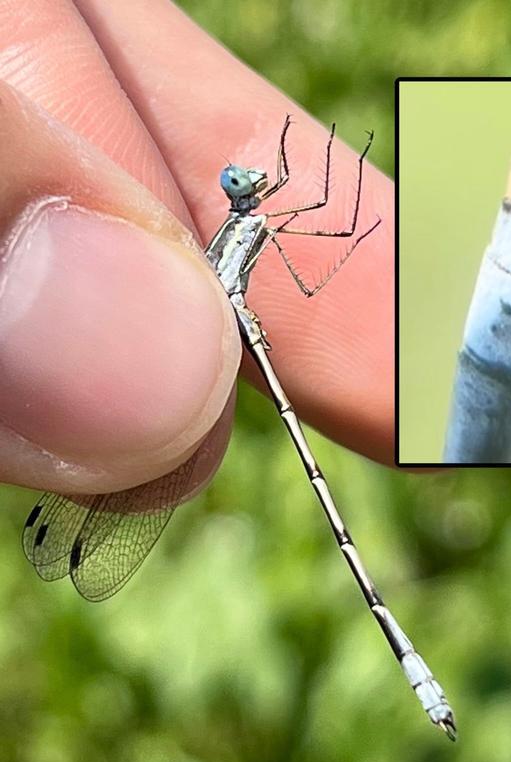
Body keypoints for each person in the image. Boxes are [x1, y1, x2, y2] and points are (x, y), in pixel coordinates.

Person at [0, 0, 393, 501]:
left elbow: (308, 209)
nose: (248, 186)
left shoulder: (249, 220)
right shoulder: (251, 221)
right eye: (241, 185)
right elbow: (309, 200)